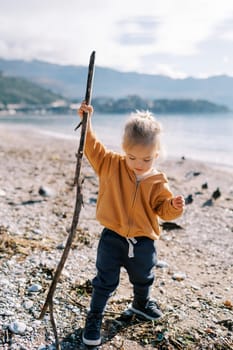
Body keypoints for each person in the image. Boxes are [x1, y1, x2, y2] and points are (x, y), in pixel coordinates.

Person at [78, 102, 185, 346]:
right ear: (124, 150)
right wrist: (87, 121)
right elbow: (91, 146)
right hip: (112, 237)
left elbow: (163, 210)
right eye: (132, 157)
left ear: (156, 155)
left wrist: (174, 208)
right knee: (104, 281)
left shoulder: (158, 181)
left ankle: (140, 304)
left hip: (143, 240)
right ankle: (94, 317)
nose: (138, 163)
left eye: (146, 159)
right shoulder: (111, 164)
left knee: (144, 276)